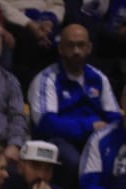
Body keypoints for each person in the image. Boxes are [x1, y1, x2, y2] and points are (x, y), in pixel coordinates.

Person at [29, 22, 117, 178]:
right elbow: (46, 124)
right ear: (61, 49)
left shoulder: (98, 77)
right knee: (73, 162)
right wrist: (89, 126)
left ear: (89, 48)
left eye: (81, 45)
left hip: (95, 139)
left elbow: (114, 116)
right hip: (59, 141)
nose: (76, 51)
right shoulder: (47, 78)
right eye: (70, 45)